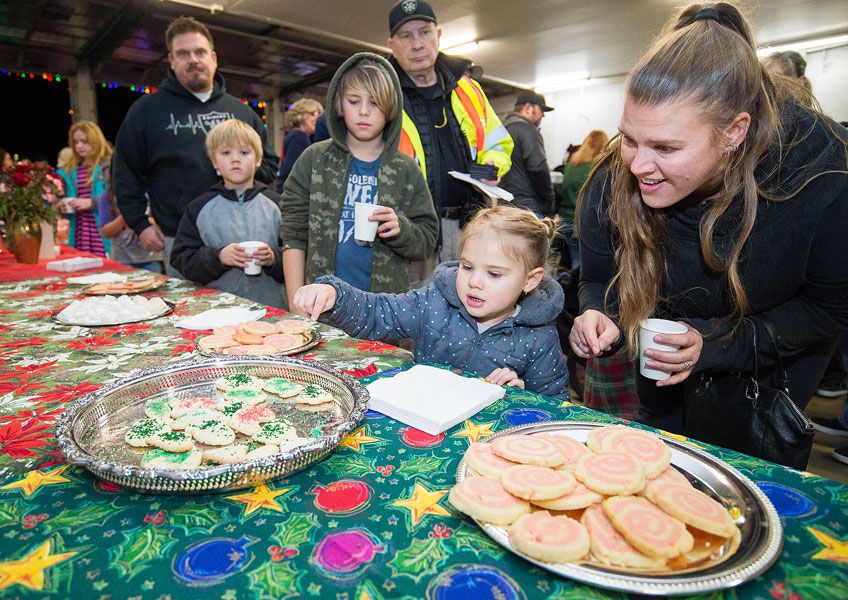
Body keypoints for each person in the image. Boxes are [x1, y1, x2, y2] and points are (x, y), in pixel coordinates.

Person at [569, 3, 848, 436]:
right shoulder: (614, 178)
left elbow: (829, 307)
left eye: (665, 148)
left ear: (734, 131)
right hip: (660, 377)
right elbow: (599, 278)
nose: (638, 165)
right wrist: (598, 313)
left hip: (763, 388)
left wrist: (717, 344)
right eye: (630, 138)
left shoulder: (821, 171)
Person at [292, 205, 570, 400]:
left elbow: (553, 407)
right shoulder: (435, 301)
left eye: (494, 274)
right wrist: (335, 295)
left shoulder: (539, 335)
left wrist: (519, 397)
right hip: (421, 428)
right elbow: (378, 313)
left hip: (484, 447)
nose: (475, 282)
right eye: (467, 266)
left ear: (530, 281)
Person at [113, 16, 278, 277]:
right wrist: (140, 224)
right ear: (172, 60)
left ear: (213, 57)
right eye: (183, 53)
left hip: (246, 244)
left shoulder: (241, 112)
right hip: (181, 244)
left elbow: (269, 164)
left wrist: (235, 170)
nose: (193, 59)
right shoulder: (146, 112)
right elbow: (125, 173)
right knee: (187, 315)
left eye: (200, 52)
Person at [280, 52, 438, 308]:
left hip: (385, 312)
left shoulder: (406, 169)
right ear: (339, 106)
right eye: (354, 101)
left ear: (391, 110)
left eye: (375, 103)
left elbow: (427, 239)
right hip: (322, 309)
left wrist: (401, 229)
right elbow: (293, 235)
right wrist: (296, 303)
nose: (364, 111)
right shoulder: (314, 160)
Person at [386, 0, 513, 265]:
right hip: (412, 230)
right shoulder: (383, 95)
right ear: (391, 45)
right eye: (406, 35)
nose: (418, 43)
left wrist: (493, 166)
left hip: (471, 225)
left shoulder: (468, 88)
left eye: (424, 31)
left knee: (469, 301)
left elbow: (499, 142)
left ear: (439, 35)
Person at [171, 120, 285, 308]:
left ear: (258, 159)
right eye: (226, 153)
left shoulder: (277, 205)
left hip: (272, 309)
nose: (235, 159)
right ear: (214, 162)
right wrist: (218, 257)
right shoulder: (198, 208)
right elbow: (182, 259)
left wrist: (274, 258)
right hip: (218, 310)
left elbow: (297, 255)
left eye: (244, 152)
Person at [56, 120, 113, 256]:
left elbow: (117, 196)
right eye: (76, 142)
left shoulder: (108, 166)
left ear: (96, 140)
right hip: (79, 232)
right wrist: (61, 207)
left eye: (85, 141)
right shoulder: (68, 171)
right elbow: (58, 200)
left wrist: (91, 202)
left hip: (104, 231)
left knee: (108, 269)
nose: (80, 146)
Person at [500, 91, 556, 217]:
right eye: (541, 110)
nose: (543, 115)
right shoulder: (528, 130)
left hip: (505, 206)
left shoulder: (502, 130)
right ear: (528, 108)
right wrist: (550, 200)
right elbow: (538, 167)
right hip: (528, 208)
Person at [97, 167, 164, 273]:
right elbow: (106, 232)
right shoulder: (108, 196)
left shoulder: (155, 192)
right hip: (121, 258)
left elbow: (165, 224)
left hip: (151, 258)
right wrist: (127, 213)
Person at [559, 130, 609, 269]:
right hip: (584, 222)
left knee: (570, 262)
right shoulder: (598, 168)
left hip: (565, 221)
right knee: (582, 267)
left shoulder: (571, 165)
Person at [275, 98, 323, 193]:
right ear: (300, 116)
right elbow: (293, 171)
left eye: (318, 115)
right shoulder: (299, 137)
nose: (317, 118)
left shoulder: (295, 135)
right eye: (312, 114)